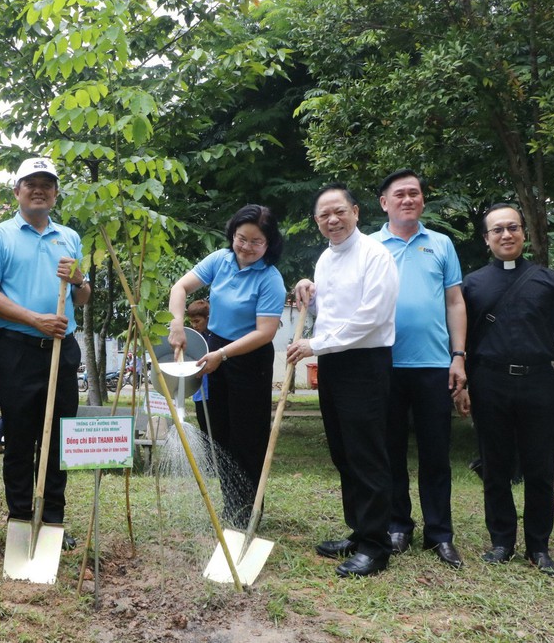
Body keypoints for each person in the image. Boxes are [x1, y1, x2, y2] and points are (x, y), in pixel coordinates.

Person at [457, 203, 554, 576]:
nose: (506, 235)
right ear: (486, 239)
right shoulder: (472, 284)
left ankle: (539, 547)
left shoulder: (549, 280)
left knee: (540, 468)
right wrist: (462, 381)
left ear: (524, 233)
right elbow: (461, 337)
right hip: (489, 382)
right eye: (497, 230)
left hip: (539, 383)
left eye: (513, 227)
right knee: (494, 466)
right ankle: (501, 542)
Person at [286, 184, 399, 578]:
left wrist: (315, 344)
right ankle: (359, 530)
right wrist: (307, 294)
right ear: (317, 222)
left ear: (355, 212)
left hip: (366, 363)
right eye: (323, 216)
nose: (332, 220)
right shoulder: (324, 260)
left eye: (339, 212)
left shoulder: (375, 255)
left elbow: (371, 317)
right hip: (334, 363)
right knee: (343, 452)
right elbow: (330, 310)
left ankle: (375, 545)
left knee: (366, 453)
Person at [0, 157, 90, 544]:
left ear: (56, 193)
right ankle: (20, 519)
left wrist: (77, 280)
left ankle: (54, 520)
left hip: (62, 348)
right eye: (31, 183)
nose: (39, 190)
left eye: (47, 184)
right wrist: (34, 319)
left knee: (60, 438)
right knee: (21, 439)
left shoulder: (69, 237)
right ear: (17, 191)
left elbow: (84, 295)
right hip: (18, 349)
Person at [369, 169, 467, 568]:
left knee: (435, 453)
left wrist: (458, 355)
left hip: (433, 365)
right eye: (400, 194)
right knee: (389, 450)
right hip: (382, 363)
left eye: (415, 193)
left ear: (423, 200)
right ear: (384, 203)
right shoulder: (369, 246)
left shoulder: (441, 244)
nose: (408, 199)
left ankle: (439, 534)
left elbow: (455, 302)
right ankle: (397, 525)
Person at [167, 205, 287, 526]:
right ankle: (230, 499)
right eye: (241, 238)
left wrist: (223, 355)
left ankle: (248, 508)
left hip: (249, 357)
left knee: (247, 435)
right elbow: (180, 288)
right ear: (233, 234)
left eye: (256, 242)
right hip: (213, 350)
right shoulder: (220, 260)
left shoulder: (270, 279)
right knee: (214, 429)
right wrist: (178, 323)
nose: (246, 247)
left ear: (269, 244)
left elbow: (266, 332)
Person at [186, 300, 211, 427]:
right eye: (191, 322)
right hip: (200, 393)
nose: (194, 325)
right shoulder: (194, 339)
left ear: (207, 318)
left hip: (214, 391)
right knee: (204, 427)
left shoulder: (214, 338)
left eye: (197, 321)